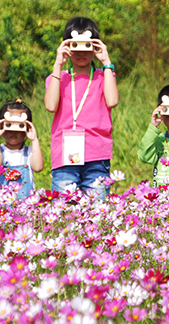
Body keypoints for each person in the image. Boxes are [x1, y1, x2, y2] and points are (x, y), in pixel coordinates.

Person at [45, 17, 119, 199]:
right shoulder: (58, 78)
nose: (81, 53)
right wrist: (58, 64)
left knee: (97, 209)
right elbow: (50, 106)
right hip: (65, 154)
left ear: (94, 46)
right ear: (67, 46)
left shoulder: (103, 76)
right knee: (65, 208)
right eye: (75, 46)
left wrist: (106, 62)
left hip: (97, 154)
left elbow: (112, 101)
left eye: (86, 46)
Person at [0, 99, 44, 198]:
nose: (14, 131)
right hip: (2, 203)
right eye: (9, 125)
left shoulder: (30, 152)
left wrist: (34, 139)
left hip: (25, 203)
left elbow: (38, 167)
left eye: (20, 126)